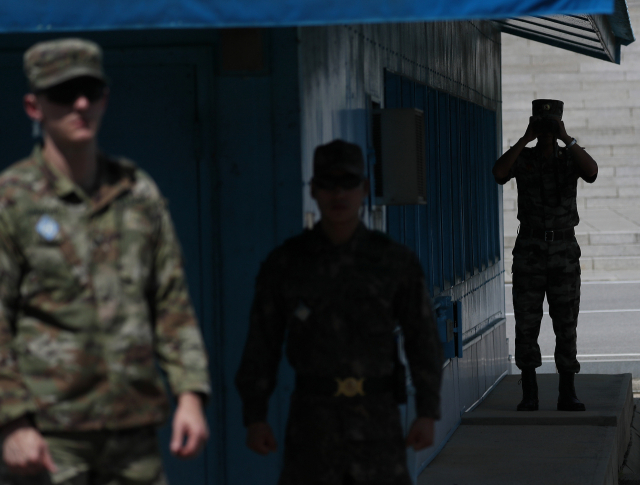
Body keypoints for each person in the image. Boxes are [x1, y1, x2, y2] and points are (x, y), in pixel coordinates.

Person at [0, 38, 211, 484]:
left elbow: (171, 304)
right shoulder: (13, 200)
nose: (80, 104)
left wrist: (189, 395)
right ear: (33, 107)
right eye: (63, 93)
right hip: (51, 436)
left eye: (90, 92)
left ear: (105, 99)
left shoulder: (137, 193)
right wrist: (12, 421)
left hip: (131, 432)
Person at [235, 139, 443, 484]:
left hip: (378, 426)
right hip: (312, 428)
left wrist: (427, 411)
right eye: (328, 184)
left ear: (364, 189)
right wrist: (255, 417)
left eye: (348, 183)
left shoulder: (393, 262)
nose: (338, 194)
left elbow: (422, 339)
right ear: (314, 190)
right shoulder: (287, 264)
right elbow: (262, 345)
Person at [493, 99, 598, 412]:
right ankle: (529, 392)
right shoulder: (523, 157)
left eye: (551, 122)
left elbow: (592, 172)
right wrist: (525, 138)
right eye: (543, 122)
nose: (548, 129)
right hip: (530, 252)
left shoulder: (569, 158)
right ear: (533, 122)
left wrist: (567, 138)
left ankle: (567, 391)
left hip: (564, 252)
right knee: (527, 322)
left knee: (566, 323)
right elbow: (498, 173)